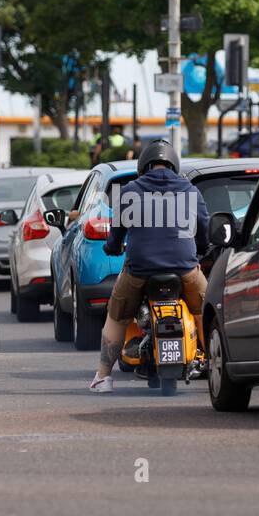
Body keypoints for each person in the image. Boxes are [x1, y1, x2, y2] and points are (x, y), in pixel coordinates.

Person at [88, 139, 209, 392]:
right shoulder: (190, 190)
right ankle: (213, 362)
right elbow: (204, 230)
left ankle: (102, 377)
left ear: (143, 165)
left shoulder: (130, 191)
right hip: (185, 268)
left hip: (139, 270)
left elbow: (116, 237)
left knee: (117, 316)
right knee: (207, 311)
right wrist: (200, 251)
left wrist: (112, 248)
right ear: (174, 164)